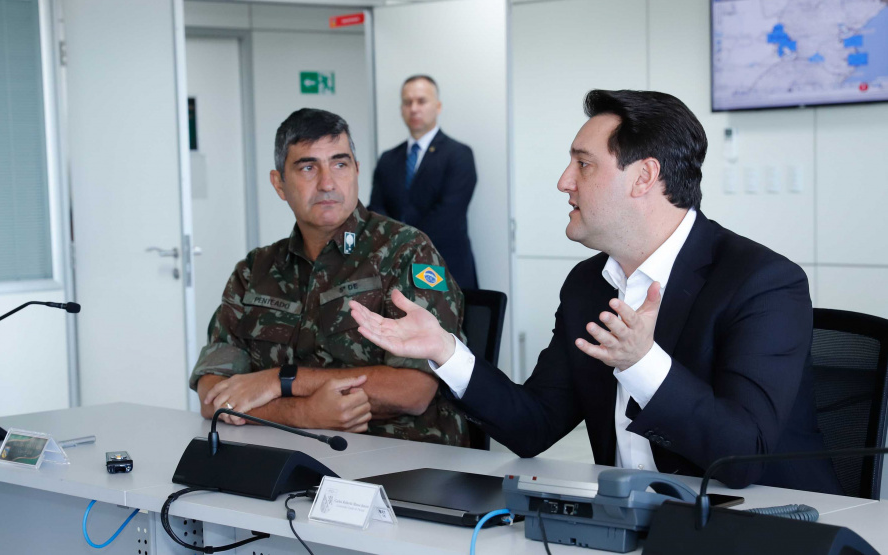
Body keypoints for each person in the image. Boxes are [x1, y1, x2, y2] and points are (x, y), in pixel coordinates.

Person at [351, 90, 842, 492]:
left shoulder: (762, 282)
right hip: (631, 526)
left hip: (773, 529)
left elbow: (742, 460)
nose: (565, 182)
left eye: (583, 165)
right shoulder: (589, 284)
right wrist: (445, 349)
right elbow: (533, 425)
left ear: (644, 177)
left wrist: (642, 362)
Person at [190, 108, 469, 447]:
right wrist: (303, 415)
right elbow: (211, 394)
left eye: (340, 164)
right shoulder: (254, 270)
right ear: (279, 184)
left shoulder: (407, 252)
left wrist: (280, 381)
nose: (327, 183)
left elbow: (412, 391)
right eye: (308, 167)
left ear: (356, 171)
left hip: (400, 461)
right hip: (284, 452)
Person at [369, 75, 479, 290]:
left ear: (437, 106)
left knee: (444, 323)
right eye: (407, 102)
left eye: (421, 101)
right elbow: (376, 209)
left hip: (442, 264)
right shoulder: (388, 158)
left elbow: (448, 214)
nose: (414, 108)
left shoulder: (459, 154)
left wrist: (400, 245)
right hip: (394, 269)